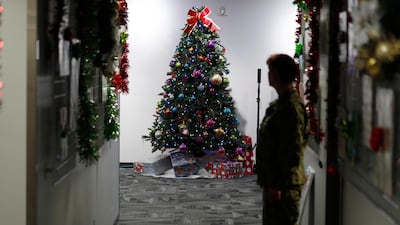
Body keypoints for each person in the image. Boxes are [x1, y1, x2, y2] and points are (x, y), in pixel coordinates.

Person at [256, 53, 310, 225]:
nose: (268, 74)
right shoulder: (281, 104)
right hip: (275, 183)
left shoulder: (291, 107)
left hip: (284, 187)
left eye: (271, 70)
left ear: (278, 74)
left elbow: (293, 149)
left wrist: (277, 185)